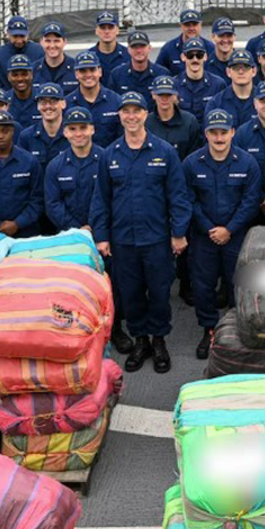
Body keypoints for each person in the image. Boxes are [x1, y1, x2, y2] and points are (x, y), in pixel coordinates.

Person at [91, 92, 191, 374]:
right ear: (120, 116)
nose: (132, 116)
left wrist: (178, 233)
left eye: (137, 111)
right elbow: (101, 199)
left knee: (159, 292)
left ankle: (159, 341)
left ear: (146, 114)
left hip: (157, 239)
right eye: (126, 111)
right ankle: (141, 340)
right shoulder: (109, 155)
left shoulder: (164, 152)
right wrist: (102, 236)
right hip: (123, 241)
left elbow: (178, 196)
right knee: (131, 293)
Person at [44, 106, 134, 354]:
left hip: (106, 235)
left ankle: (115, 330)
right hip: (72, 239)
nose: (79, 133)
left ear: (92, 129)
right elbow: (52, 204)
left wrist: (98, 228)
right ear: (65, 132)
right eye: (73, 129)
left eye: (83, 128)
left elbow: (116, 197)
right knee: (74, 287)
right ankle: (78, 330)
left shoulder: (109, 159)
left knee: (110, 285)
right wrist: (78, 228)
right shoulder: (56, 166)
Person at [184, 109, 262, 359]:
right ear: (206, 134)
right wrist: (210, 228)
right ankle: (209, 331)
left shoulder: (247, 163)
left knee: (237, 284)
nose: (219, 138)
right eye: (214, 133)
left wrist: (229, 229)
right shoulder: (192, 163)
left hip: (235, 236)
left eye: (224, 132)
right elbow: (189, 200)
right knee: (203, 287)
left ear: (233, 133)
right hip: (203, 236)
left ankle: (236, 330)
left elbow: (250, 201)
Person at [66, 51, 122, 148]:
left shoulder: (116, 101)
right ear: (76, 74)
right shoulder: (67, 104)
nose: (88, 75)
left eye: (92, 70)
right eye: (83, 70)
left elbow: (122, 137)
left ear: (100, 72)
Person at [146, 76, 203, 158]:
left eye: (168, 95)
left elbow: (194, 156)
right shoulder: (146, 122)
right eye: (160, 94)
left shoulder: (189, 122)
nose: (164, 99)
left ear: (176, 95)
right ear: (153, 95)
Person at [17, 84, 69, 172]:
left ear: (63, 104)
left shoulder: (73, 135)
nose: (48, 106)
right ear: (38, 106)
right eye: (43, 102)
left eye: (53, 101)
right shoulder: (26, 137)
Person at [0, 15, 44, 91]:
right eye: (15, 36)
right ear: (8, 33)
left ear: (28, 33)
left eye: (22, 36)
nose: (19, 41)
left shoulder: (39, 52)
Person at [107, 31, 170, 100]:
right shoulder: (117, 75)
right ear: (128, 49)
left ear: (149, 48)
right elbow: (111, 102)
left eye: (142, 46)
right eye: (134, 47)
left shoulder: (162, 74)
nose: (139, 51)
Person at [175, 38, 227, 120]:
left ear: (205, 57)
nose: (195, 59)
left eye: (199, 55)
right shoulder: (175, 85)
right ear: (183, 57)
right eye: (190, 55)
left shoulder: (218, 84)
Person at [206, 50, 259, 128]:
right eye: (236, 67)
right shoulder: (216, 103)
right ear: (228, 72)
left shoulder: (263, 101)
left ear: (254, 71)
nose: (241, 72)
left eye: (246, 67)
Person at [156, 9, 216, 76]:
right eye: (187, 25)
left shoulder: (211, 48)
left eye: (194, 24)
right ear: (181, 25)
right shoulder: (168, 49)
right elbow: (158, 72)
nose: (191, 28)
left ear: (200, 25)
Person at [32, 23, 78, 96]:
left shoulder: (76, 68)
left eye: (56, 41)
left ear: (65, 42)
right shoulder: (33, 70)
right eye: (48, 41)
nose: (52, 46)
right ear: (41, 42)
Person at [4, 55, 43, 131]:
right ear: (8, 77)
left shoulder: (43, 99)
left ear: (31, 75)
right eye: (15, 75)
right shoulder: (3, 102)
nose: (20, 79)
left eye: (24, 74)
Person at [87, 10, 130, 77]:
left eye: (110, 27)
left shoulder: (128, 56)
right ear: (96, 31)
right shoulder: (87, 57)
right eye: (103, 28)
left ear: (117, 30)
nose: (107, 31)